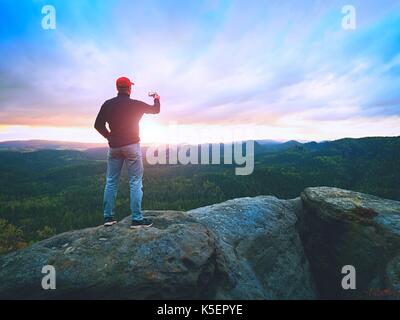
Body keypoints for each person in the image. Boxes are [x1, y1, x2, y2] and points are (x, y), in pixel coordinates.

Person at [94, 76, 160, 228]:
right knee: (135, 181)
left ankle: (108, 218)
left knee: (111, 181)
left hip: (114, 147)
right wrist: (157, 98)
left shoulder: (108, 104)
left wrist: (109, 136)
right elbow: (156, 110)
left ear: (117, 88)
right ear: (129, 88)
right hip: (132, 146)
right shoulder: (135, 104)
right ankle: (137, 219)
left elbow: (98, 125)